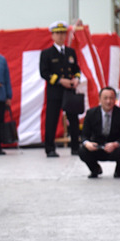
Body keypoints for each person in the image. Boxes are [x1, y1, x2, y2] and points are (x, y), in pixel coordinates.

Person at [39, 21, 81, 157]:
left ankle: (75, 147)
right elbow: (44, 72)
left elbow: (76, 69)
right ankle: (50, 148)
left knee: (73, 120)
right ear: (52, 35)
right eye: (57, 33)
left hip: (70, 91)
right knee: (51, 120)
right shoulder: (46, 53)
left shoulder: (70, 52)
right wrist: (59, 81)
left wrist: (76, 79)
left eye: (63, 33)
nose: (61, 36)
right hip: (55, 92)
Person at [78, 86, 120, 178]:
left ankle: (119, 169)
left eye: (111, 98)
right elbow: (84, 135)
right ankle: (95, 169)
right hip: (97, 147)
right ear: (100, 99)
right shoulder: (91, 113)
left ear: (115, 99)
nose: (108, 101)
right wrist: (87, 143)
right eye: (105, 98)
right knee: (82, 150)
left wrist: (115, 144)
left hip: (114, 148)